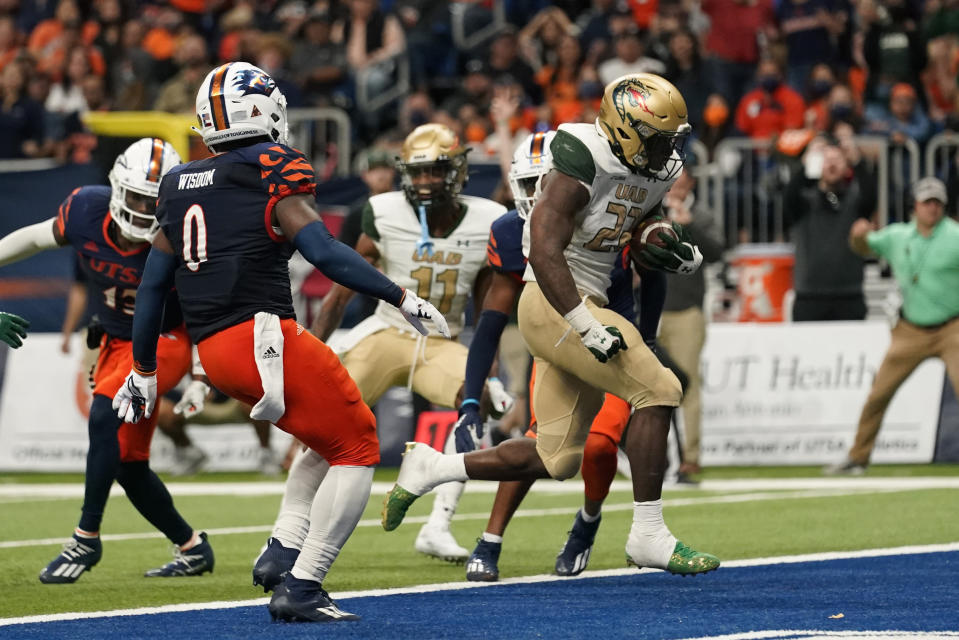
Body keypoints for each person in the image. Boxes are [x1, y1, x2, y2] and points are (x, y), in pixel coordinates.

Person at [111, 62, 447, 623]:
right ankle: (304, 584)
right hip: (263, 336)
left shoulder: (179, 182)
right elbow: (323, 250)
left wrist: (143, 369)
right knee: (359, 443)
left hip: (216, 354)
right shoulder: (273, 166)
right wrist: (400, 296)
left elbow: (151, 285)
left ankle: (282, 550)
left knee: (328, 432)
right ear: (260, 111)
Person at [381, 73, 720, 577]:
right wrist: (583, 321)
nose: (669, 148)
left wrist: (666, 239)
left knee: (557, 457)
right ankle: (648, 534)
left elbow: (637, 222)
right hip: (554, 301)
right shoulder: (582, 152)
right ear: (627, 130)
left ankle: (434, 467)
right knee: (661, 389)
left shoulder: (652, 167)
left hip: (585, 302)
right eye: (659, 137)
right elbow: (542, 248)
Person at [462, 131, 676, 581]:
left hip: (615, 338)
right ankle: (491, 536)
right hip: (559, 339)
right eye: (534, 183)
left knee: (598, 446)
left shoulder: (611, 215)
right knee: (545, 448)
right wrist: (469, 396)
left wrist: (650, 337)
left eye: (551, 181)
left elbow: (653, 276)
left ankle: (588, 522)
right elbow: (491, 318)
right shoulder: (509, 230)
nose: (545, 193)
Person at [0, 137, 215, 583]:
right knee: (128, 466)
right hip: (116, 339)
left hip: (165, 338)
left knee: (104, 416)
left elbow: (206, 308)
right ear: (117, 187)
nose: (141, 208)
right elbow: (34, 237)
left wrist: (201, 372)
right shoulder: (85, 210)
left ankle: (85, 538)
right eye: (135, 195)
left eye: (152, 201)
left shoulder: (183, 230)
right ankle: (192, 547)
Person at [309, 122, 507, 563]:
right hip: (387, 334)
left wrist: (486, 364)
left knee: (477, 398)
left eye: (434, 171)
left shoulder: (487, 220)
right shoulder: (382, 212)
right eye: (416, 173)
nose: (424, 182)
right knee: (327, 415)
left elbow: (487, 305)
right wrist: (312, 350)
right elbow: (341, 290)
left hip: (443, 340)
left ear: (456, 170)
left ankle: (438, 526)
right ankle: (293, 529)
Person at [826, 177, 959, 475]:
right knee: (878, 395)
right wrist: (859, 235)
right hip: (910, 330)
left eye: (938, 203)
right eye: (928, 203)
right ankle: (857, 457)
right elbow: (863, 247)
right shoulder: (897, 236)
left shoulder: (955, 236)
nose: (933, 209)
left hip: (953, 329)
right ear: (916, 206)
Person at [657, 168, 725, 481]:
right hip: (652, 311)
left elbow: (715, 253)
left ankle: (691, 457)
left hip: (686, 311)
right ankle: (649, 453)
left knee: (688, 386)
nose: (674, 185)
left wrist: (690, 227)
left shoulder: (701, 215)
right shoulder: (652, 210)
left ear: (691, 183)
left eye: (680, 180)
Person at [784, 134, 876, 321]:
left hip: (849, 296)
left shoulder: (855, 203)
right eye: (826, 160)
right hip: (809, 297)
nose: (832, 165)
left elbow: (870, 196)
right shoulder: (804, 203)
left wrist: (857, 161)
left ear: (846, 166)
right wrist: (807, 163)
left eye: (837, 160)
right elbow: (790, 196)